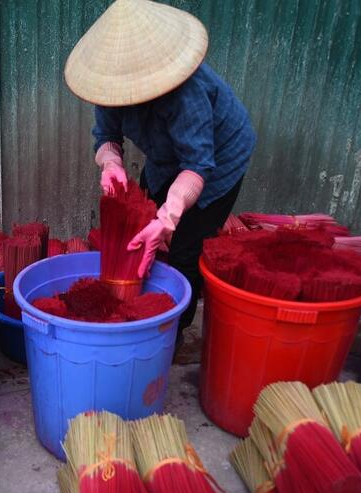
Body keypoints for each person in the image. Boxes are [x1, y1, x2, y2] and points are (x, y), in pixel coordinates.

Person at [64, 0, 256, 341]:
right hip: (166, 155)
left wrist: (169, 217)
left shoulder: (186, 92)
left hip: (219, 157)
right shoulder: (110, 87)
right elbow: (106, 137)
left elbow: (198, 164)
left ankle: (170, 333)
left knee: (184, 244)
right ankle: (137, 301)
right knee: (142, 224)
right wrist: (110, 163)